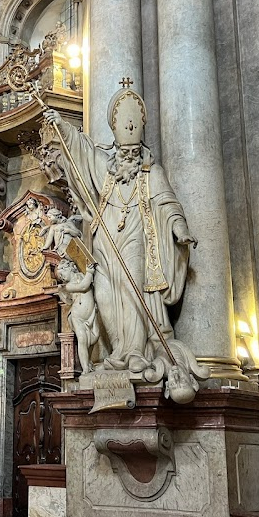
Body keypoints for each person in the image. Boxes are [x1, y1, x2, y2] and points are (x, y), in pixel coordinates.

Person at [44, 88, 195, 374]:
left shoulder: (152, 174)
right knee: (105, 295)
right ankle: (118, 352)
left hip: (135, 241)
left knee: (132, 292)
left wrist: (179, 228)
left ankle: (136, 352)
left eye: (133, 153)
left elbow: (168, 202)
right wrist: (61, 125)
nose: (129, 158)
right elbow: (82, 149)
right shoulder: (105, 168)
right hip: (105, 244)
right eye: (124, 153)